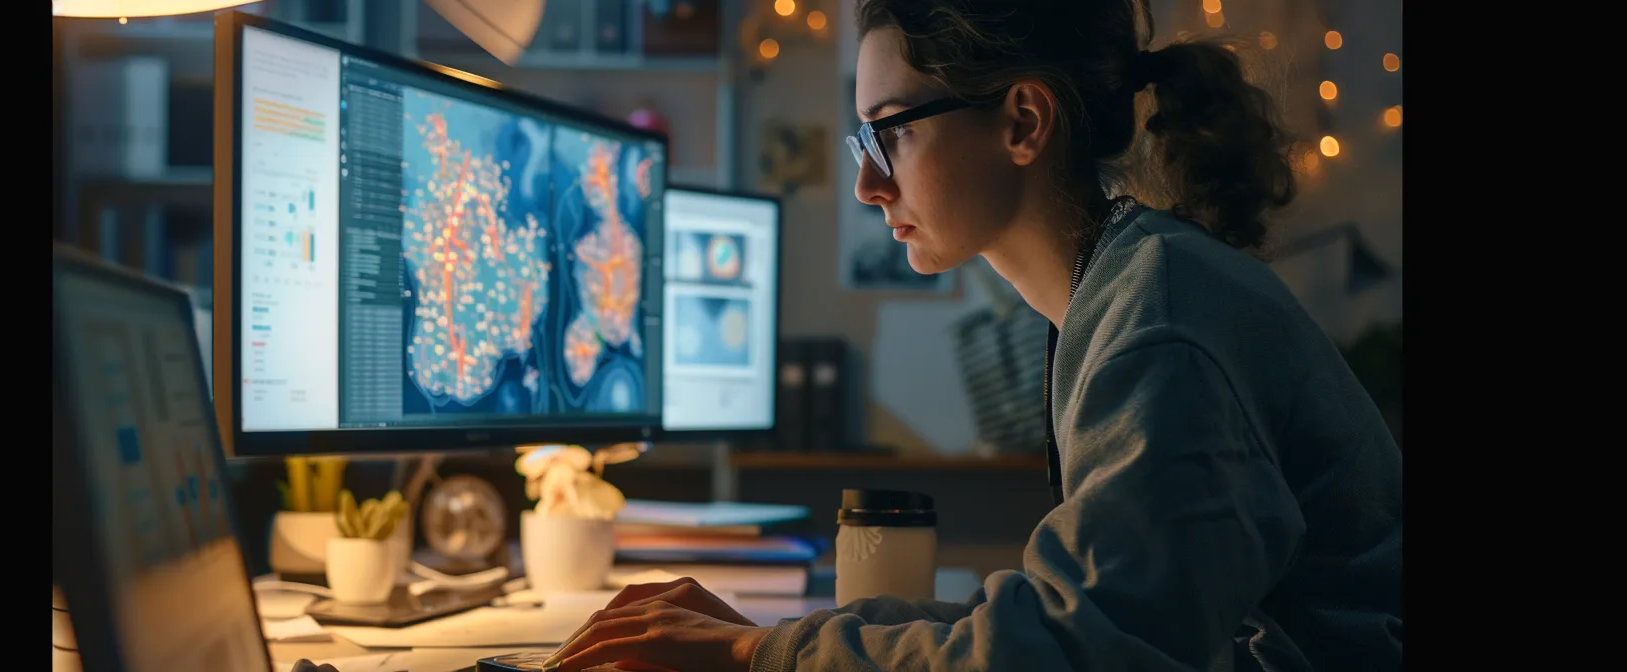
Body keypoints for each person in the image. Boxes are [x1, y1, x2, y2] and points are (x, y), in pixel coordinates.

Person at [545, 0, 1404, 670]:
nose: (865, 185)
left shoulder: (1157, 327)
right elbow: (1066, 621)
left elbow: (1081, 656)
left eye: (892, 132)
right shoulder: (1130, 288)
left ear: (1024, 122)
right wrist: (783, 642)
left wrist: (760, 653)